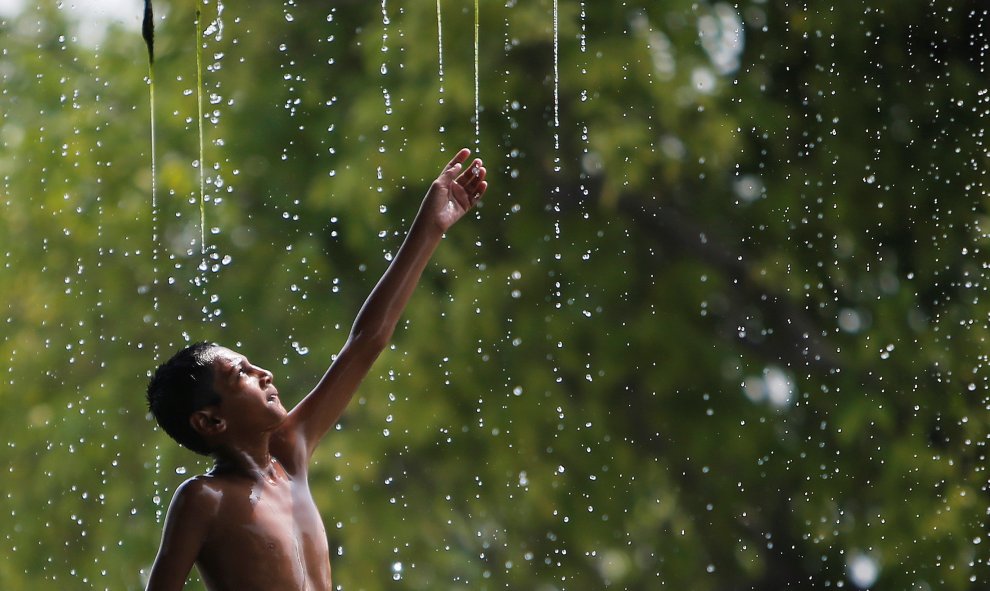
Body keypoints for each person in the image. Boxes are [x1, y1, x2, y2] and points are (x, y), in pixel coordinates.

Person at [143, 148, 488, 590]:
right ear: (210, 420)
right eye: (240, 375)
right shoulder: (202, 500)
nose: (263, 373)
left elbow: (366, 343)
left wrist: (430, 229)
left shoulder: (290, 453)